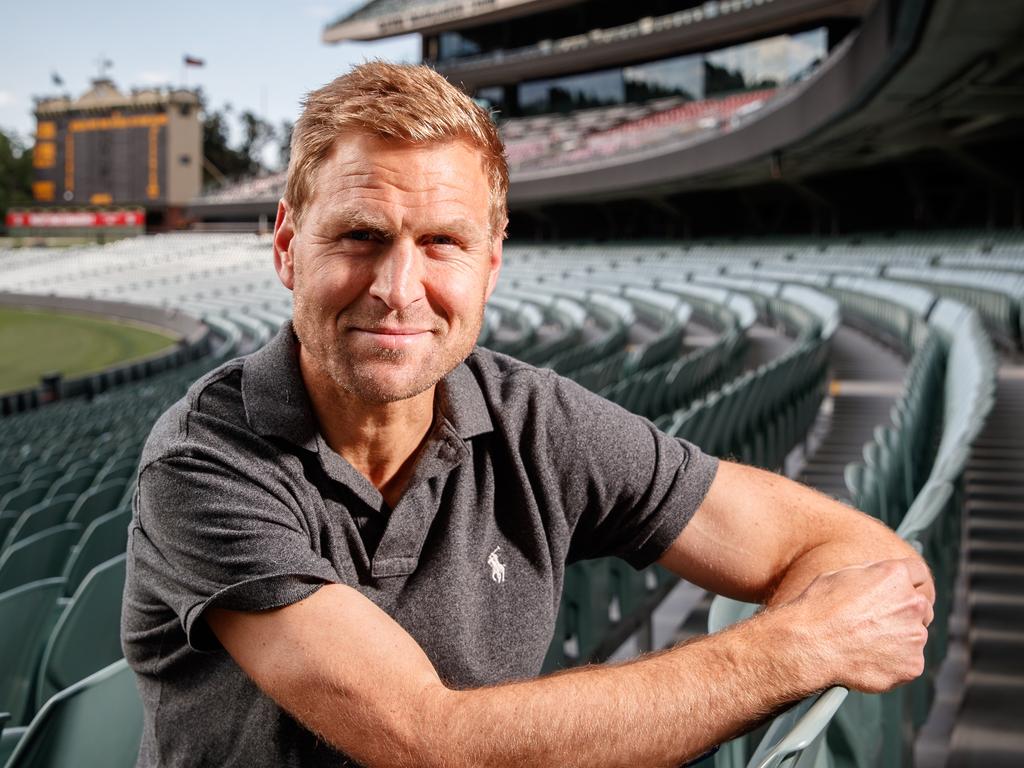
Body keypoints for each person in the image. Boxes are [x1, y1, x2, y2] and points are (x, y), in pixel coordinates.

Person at [122, 62, 934, 768]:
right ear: (286, 247)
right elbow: (421, 739)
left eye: (443, 241)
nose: (398, 288)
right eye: (360, 236)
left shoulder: (536, 419)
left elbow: (868, 560)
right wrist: (791, 649)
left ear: (492, 261)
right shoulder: (202, 463)